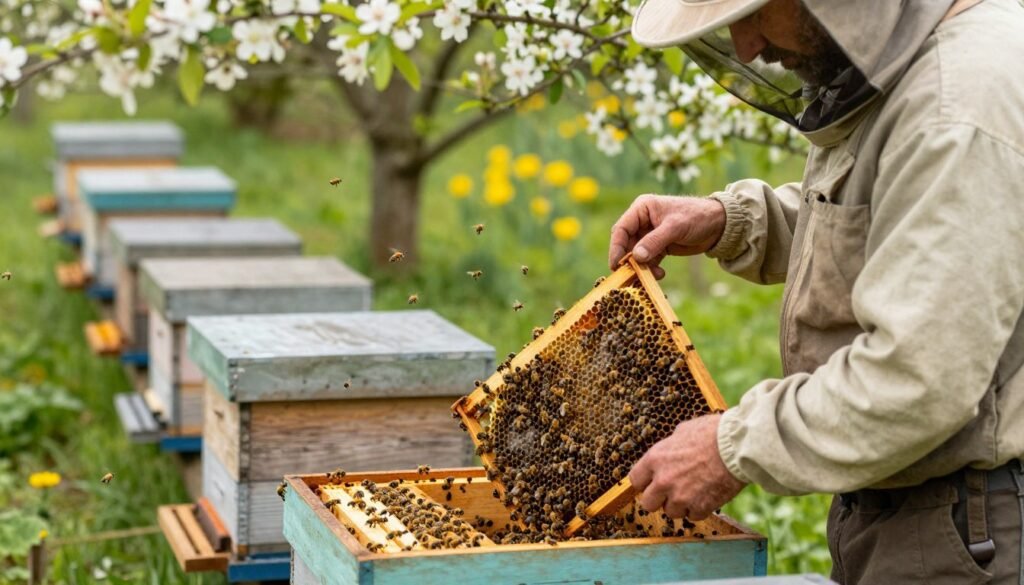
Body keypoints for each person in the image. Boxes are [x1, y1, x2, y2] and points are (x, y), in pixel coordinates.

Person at [610, 0, 1024, 583]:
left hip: (968, 530)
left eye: (756, 12)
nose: (747, 46)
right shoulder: (927, 67)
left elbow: (917, 380)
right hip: (920, 512)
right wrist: (732, 220)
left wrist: (732, 446)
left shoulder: (958, 104)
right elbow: (893, 215)